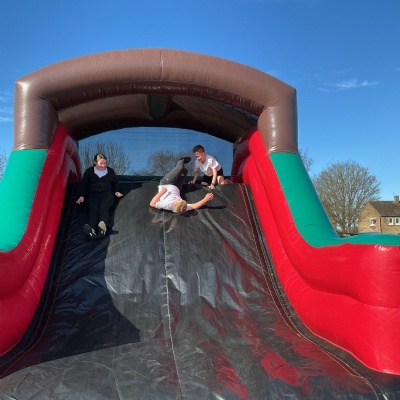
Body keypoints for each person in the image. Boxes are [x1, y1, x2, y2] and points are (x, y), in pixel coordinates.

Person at [76, 153, 123, 239]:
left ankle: (102, 228)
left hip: (106, 194)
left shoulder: (110, 171)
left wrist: (117, 191)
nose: (103, 165)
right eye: (101, 163)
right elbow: (84, 185)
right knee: (93, 210)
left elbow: (115, 182)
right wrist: (81, 196)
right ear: (95, 162)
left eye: (105, 163)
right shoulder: (89, 172)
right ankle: (92, 230)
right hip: (93, 195)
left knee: (103, 208)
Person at [150, 157, 214, 214]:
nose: (180, 199)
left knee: (180, 168)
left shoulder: (167, 205)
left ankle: (181, 160)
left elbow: (152, 204)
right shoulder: (183, 207)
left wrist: (161, 192)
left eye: (179, 200)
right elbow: (194, 206)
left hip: (166, 183)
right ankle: (178, 170)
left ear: (174, 205)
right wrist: (205, 200)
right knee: (185, 171)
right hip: (177, 187)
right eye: (181, 200)